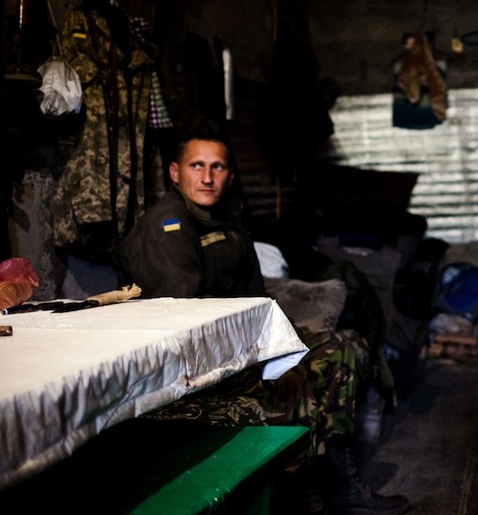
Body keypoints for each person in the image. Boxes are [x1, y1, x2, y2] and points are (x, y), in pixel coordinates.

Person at [115, 136, 410, 515]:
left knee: (344, 346)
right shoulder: (167, 224)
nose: (207, 177)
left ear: (230, 175)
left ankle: (339, 483)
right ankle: (301, 494)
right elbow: (186, 319)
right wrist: (266, 362)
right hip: (196, 365)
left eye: (217, 166)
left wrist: (282, 348)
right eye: (196, 166)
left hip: (237, 347)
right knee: (292, 381)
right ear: (175, 173)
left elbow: (257, 297)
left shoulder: (227, 219)